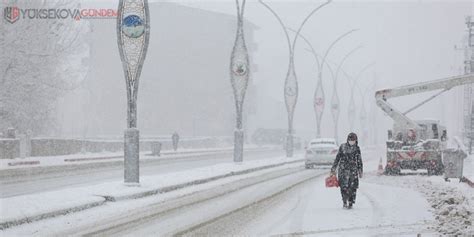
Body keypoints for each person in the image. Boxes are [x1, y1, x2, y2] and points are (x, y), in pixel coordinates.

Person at [330, 132, 363, 209]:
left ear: (356, 140)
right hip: (343, 170)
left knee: (353, 187)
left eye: (353, 140)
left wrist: (360, 170)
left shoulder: (357, 149)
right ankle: (344, 201)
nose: (352, 141)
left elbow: (359, 161)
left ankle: (351, 202)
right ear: (347, 140)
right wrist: (333, 169)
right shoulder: (342, 147)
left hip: (353, 170)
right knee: (343, 186)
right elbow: (337, 158)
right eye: (350, 140)